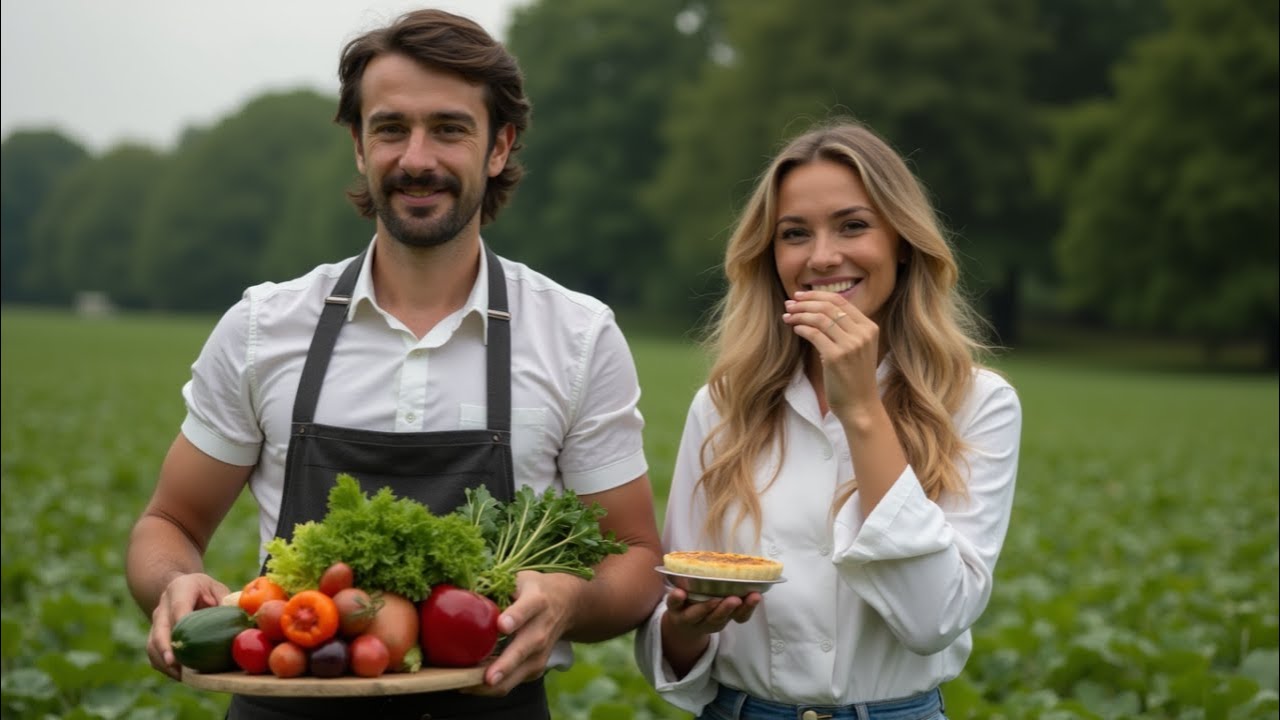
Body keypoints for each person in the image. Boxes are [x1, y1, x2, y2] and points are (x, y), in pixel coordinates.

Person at [125, 8, 665, 719]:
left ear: (499, 146)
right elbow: (169, 521)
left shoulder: (576, 336)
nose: (417, 158)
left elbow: (635, 558)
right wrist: (173, 580)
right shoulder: (263, 328)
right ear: (358, 145)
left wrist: (572, 599)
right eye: (390, 129)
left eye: (449, 128)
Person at [634, 119, 1022, 719]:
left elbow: (934, 619)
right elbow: (673, 616)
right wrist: (685, 629)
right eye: (794, 234)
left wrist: (862, 407)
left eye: (852, 226)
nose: (821, 257)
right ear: (771, 257)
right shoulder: (723, 405)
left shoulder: (976, 403)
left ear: (902, 241)